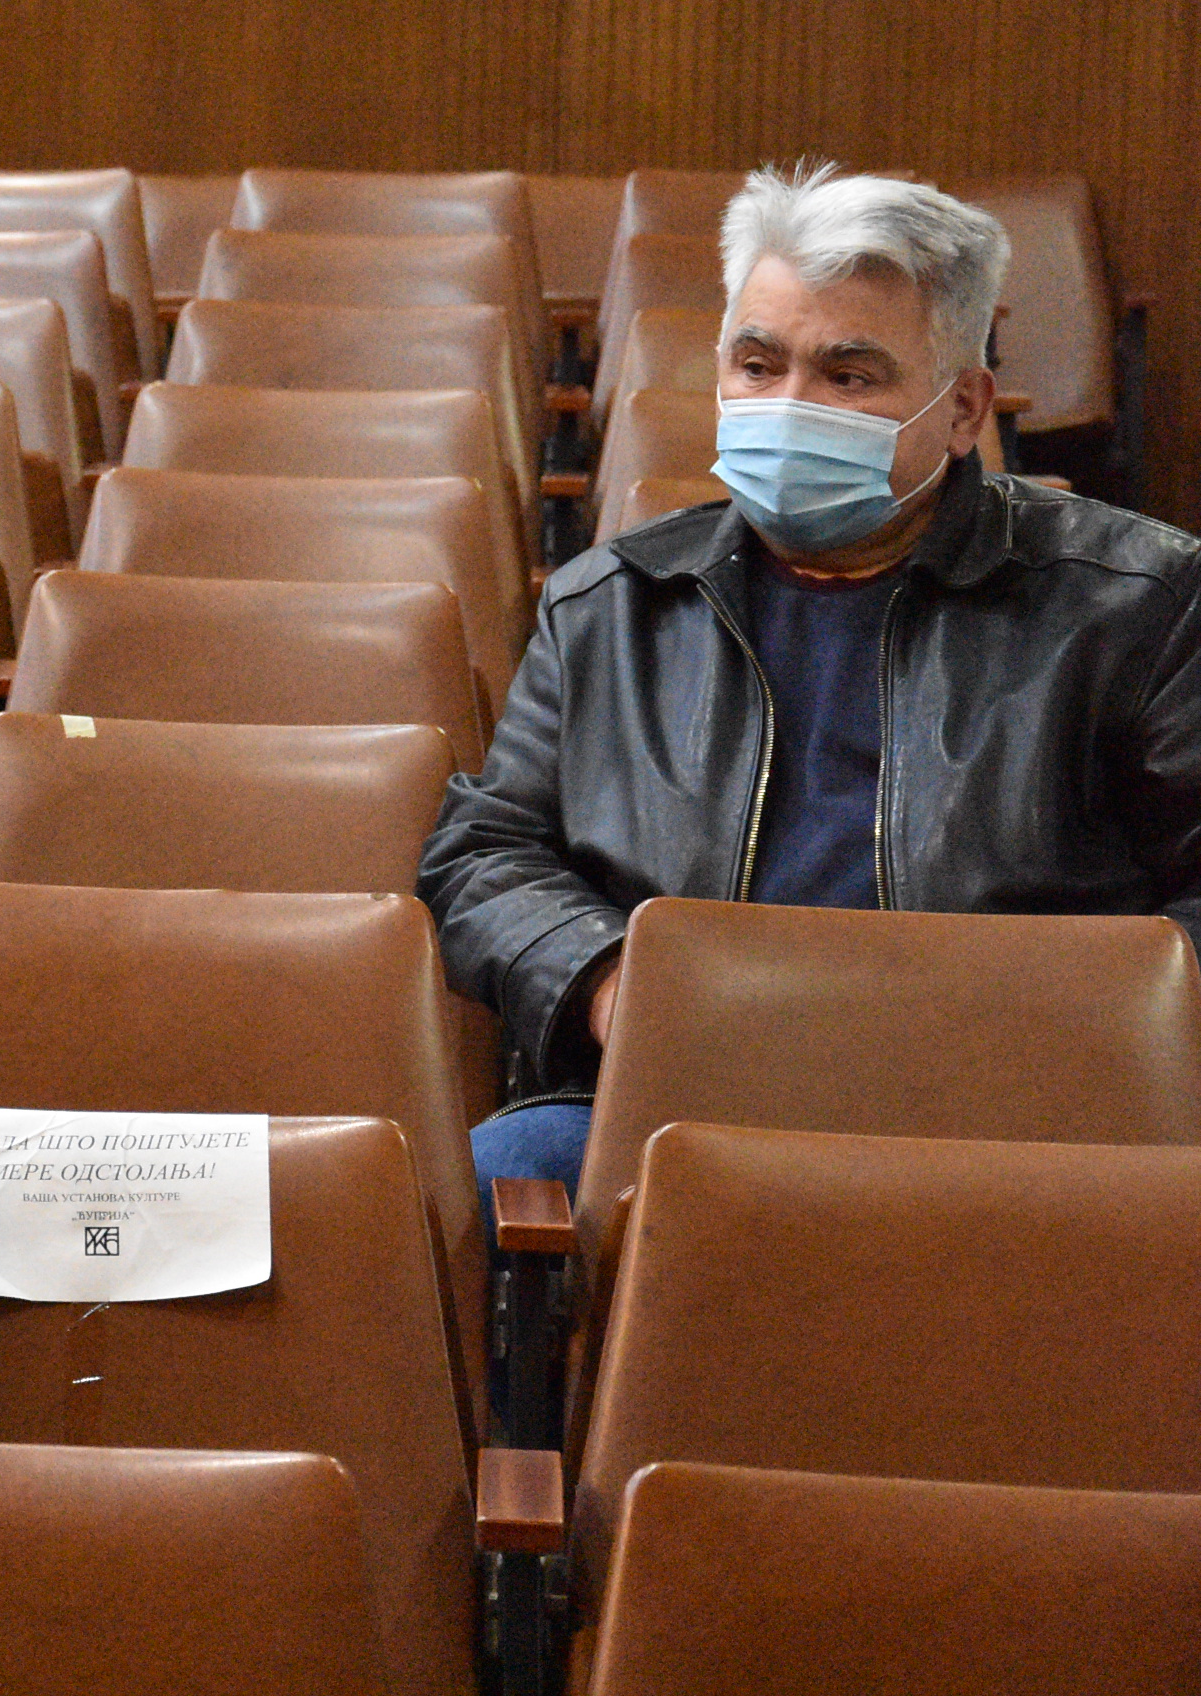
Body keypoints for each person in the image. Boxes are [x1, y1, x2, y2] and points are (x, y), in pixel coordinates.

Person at [426, 165, 1201, 1205]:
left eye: (849, 376)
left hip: (1017, 1112)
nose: (787, 407)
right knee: (453, 1193)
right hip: (679, 1093)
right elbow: (483, 851)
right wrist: (606, 980)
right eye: (757, 365)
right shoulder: (609, 605)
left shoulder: (1135, 603)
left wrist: (1061, 1033)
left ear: (962, 407)